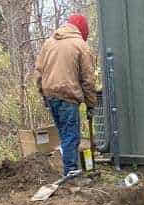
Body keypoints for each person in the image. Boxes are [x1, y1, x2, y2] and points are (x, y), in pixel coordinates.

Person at [35, 13, 96, 178]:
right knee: (71, 136)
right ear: (82, 30)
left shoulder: (49, 42)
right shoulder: (80, 45)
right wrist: (91, 104)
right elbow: (88, 79)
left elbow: (39, 73)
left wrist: (44, 95)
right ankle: (71, 174)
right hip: (67, 95)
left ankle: (69, 170)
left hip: (50, 94)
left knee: (64, 134)